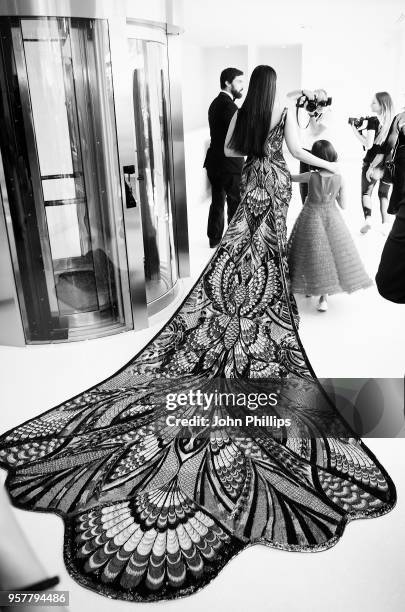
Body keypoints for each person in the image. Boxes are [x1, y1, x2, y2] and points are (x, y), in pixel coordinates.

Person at [0, 65, 396, 603]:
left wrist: (261, 154)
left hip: (252, 185)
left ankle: (236, 314)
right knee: (268, 259)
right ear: (274, 90)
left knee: (241, 253)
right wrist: (325, 160)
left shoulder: (244, 115)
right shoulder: (283, 112)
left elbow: (232, 150)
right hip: (275, 187)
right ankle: (264, 316)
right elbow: (300, 155)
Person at [287, 140, 373, 312]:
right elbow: (344, 205)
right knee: (328, 257)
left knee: (311, 253)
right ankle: (323, 298)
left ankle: (311, 289)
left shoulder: (311, 176)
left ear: (314, 158)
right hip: (332, 217)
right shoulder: (339, 178)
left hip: (311, 216)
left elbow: (290, 178)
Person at [203, 67, 244, 248]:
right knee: (234, 201)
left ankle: (214, 238)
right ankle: (233, 241)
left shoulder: (215, 103)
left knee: (217, 200)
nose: (242, 86)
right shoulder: (229, 105)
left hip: (214, 162)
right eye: (239, 81)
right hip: (229, 163)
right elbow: (237, 134)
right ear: (228, 82)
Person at [350, 91, 394, 234]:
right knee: (383, 195)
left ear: (382, 105)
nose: (371, 104)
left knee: (366, 194)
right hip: (387, 165)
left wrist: (354, 130)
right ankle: (386, 224)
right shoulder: (393, 122)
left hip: (371, 163)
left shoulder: (373, 120)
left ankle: (368, 220)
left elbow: (368, 145)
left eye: (374, 102)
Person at [373, 111, 405, 302]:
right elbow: (389, 145)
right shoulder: (400, 117)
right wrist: (377, 164)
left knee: (388, 281)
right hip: (401, 185)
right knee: (387, 282)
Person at [287, 89, 332, 203]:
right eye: (319, 102)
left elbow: (316, 131)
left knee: (318, 184)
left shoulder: (328, 113)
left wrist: (311, 114)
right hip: (306, 151)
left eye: (324, 102)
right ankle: (305, 209)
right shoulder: (307, 106)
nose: (322, 105)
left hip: (321, 153)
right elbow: (289, 96)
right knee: (304, 184)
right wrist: (304, 92)